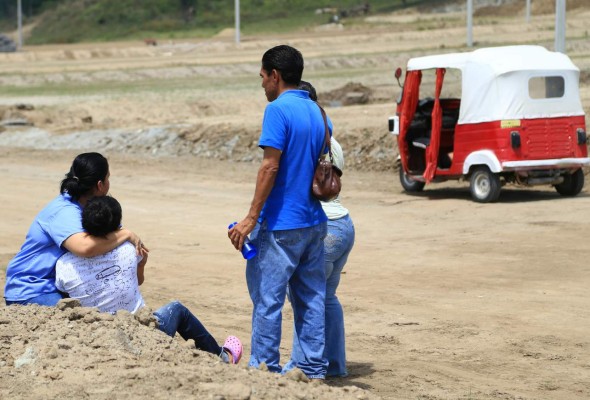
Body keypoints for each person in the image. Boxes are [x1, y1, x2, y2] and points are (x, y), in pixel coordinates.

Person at [227, 45, 329, 379]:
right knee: (311, 299)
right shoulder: (316, 110)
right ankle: (312, 369)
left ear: (275, 75)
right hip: (314, 222)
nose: (262, 86)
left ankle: (263, 369)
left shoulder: (278, 111)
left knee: (268, 301)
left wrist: (251, 218)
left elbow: (270, 167)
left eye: (262, 77)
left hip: (282, 225)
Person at [55, 196, 242, 364]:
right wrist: (141, 264)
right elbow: (137, 280)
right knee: (177, 309)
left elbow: (67, 294)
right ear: (118, 225)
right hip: (142, 337)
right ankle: (222, 357)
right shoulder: (129, 250)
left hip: (99, 338)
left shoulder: (64, 264)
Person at [4, 152, 143, 307]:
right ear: (99, 185)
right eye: (107, 178)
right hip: (33, 288)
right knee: (80, 319)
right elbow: (85, 248)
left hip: (61, 286)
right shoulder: (63, 211)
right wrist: (126, 234)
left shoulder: (96, 208)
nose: (109, 183)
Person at [284, 81, 356, 378]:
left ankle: (301, 367)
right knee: (326, 298)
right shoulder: (332, 141)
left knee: (305, 298)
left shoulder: (307, 142)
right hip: (344, 225)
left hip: (322, 230)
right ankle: (336, 365)